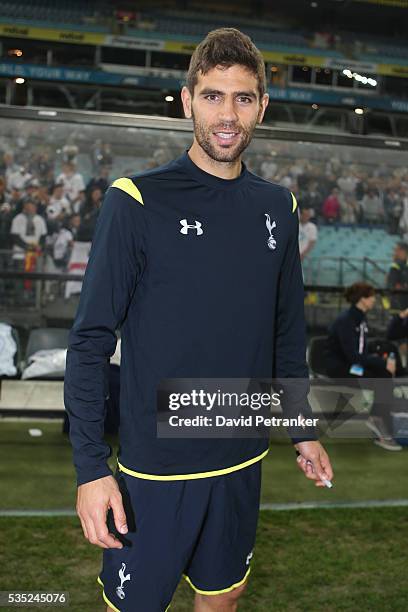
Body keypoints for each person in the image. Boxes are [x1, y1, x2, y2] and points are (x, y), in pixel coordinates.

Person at [64, 28, 333, 612]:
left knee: (222, 601)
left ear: (263, 106)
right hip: (154, 476)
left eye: (243, 98)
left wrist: (303, 427)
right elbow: (88, 343)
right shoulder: (135, 200)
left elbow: (286, 333)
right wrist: (91, 469)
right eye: (213, 96)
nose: (227, 115)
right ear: (187, 101)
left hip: (243, 459)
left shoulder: (277, 208)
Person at [325, 282, 402, 451]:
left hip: (353, 365)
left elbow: (361, 353)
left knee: (384, 375)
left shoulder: (360, 319)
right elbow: (353, 357)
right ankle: (379, 424)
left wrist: (381, 363)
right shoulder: (346, 320)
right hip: (342, 368)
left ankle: (378, 421)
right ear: (362, 299)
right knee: (383, 375)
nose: (374, 300)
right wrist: (383, 363)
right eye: (371, 296)